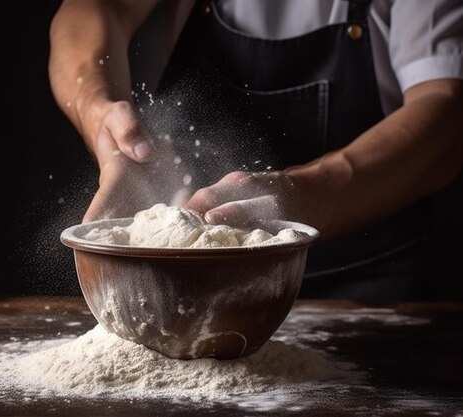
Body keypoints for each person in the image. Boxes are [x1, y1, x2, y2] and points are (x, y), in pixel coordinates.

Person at [48, 0, 463, 301]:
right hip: (197, 278)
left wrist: (301, 196)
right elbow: (95, 8)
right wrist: (100, 114)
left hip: (368, 280)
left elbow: (445, 114)